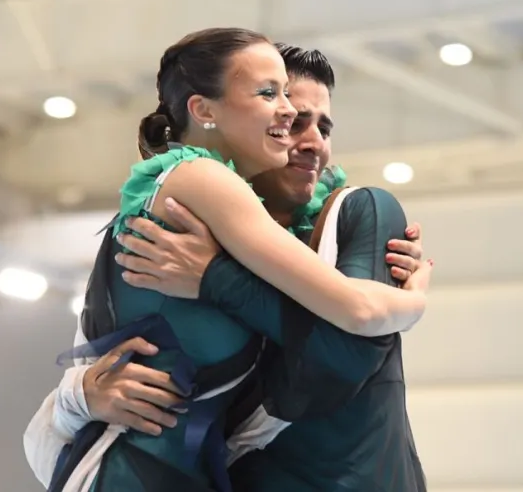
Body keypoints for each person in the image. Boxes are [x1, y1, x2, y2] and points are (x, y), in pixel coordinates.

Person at [28, 29, 429, 492]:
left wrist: (216, 278)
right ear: (210, 110)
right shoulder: (189, 208)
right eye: (286, 112)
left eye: (324, 127)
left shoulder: (356, 212)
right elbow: (84, 376)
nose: (310, 139)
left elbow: (341, 361)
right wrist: (78, 397)